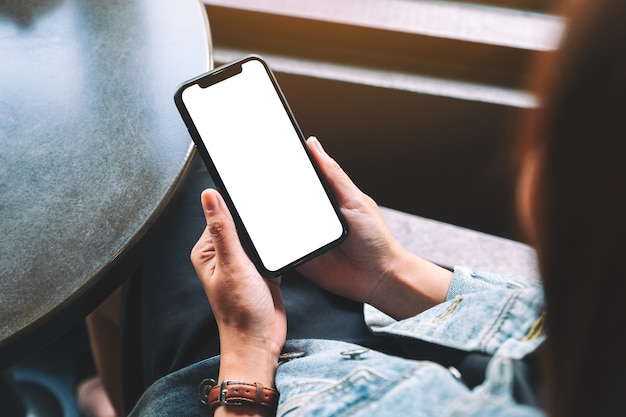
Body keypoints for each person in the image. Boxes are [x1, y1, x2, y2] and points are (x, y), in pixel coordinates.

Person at [81, 0, 626, 415]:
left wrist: (247, 353)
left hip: (258, 382)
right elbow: (557, 334)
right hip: (411, 355)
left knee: (141, 202)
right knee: (179, 186)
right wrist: (391, 272)